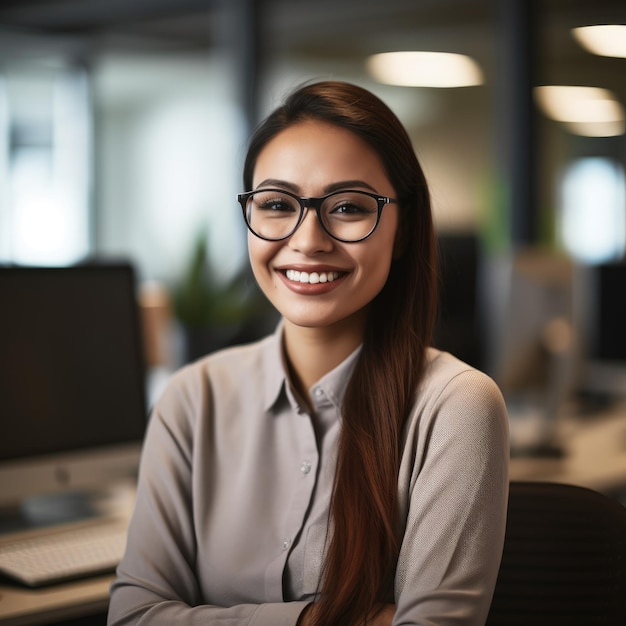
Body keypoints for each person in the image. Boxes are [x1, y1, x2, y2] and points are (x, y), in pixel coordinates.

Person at [108, 80, 509, 626]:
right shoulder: (192, 399)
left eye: (347, 207)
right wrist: (323, 620)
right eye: (276, 204)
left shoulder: (456, 408)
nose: (308, 239)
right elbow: (133, 617)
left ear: (404, 226)